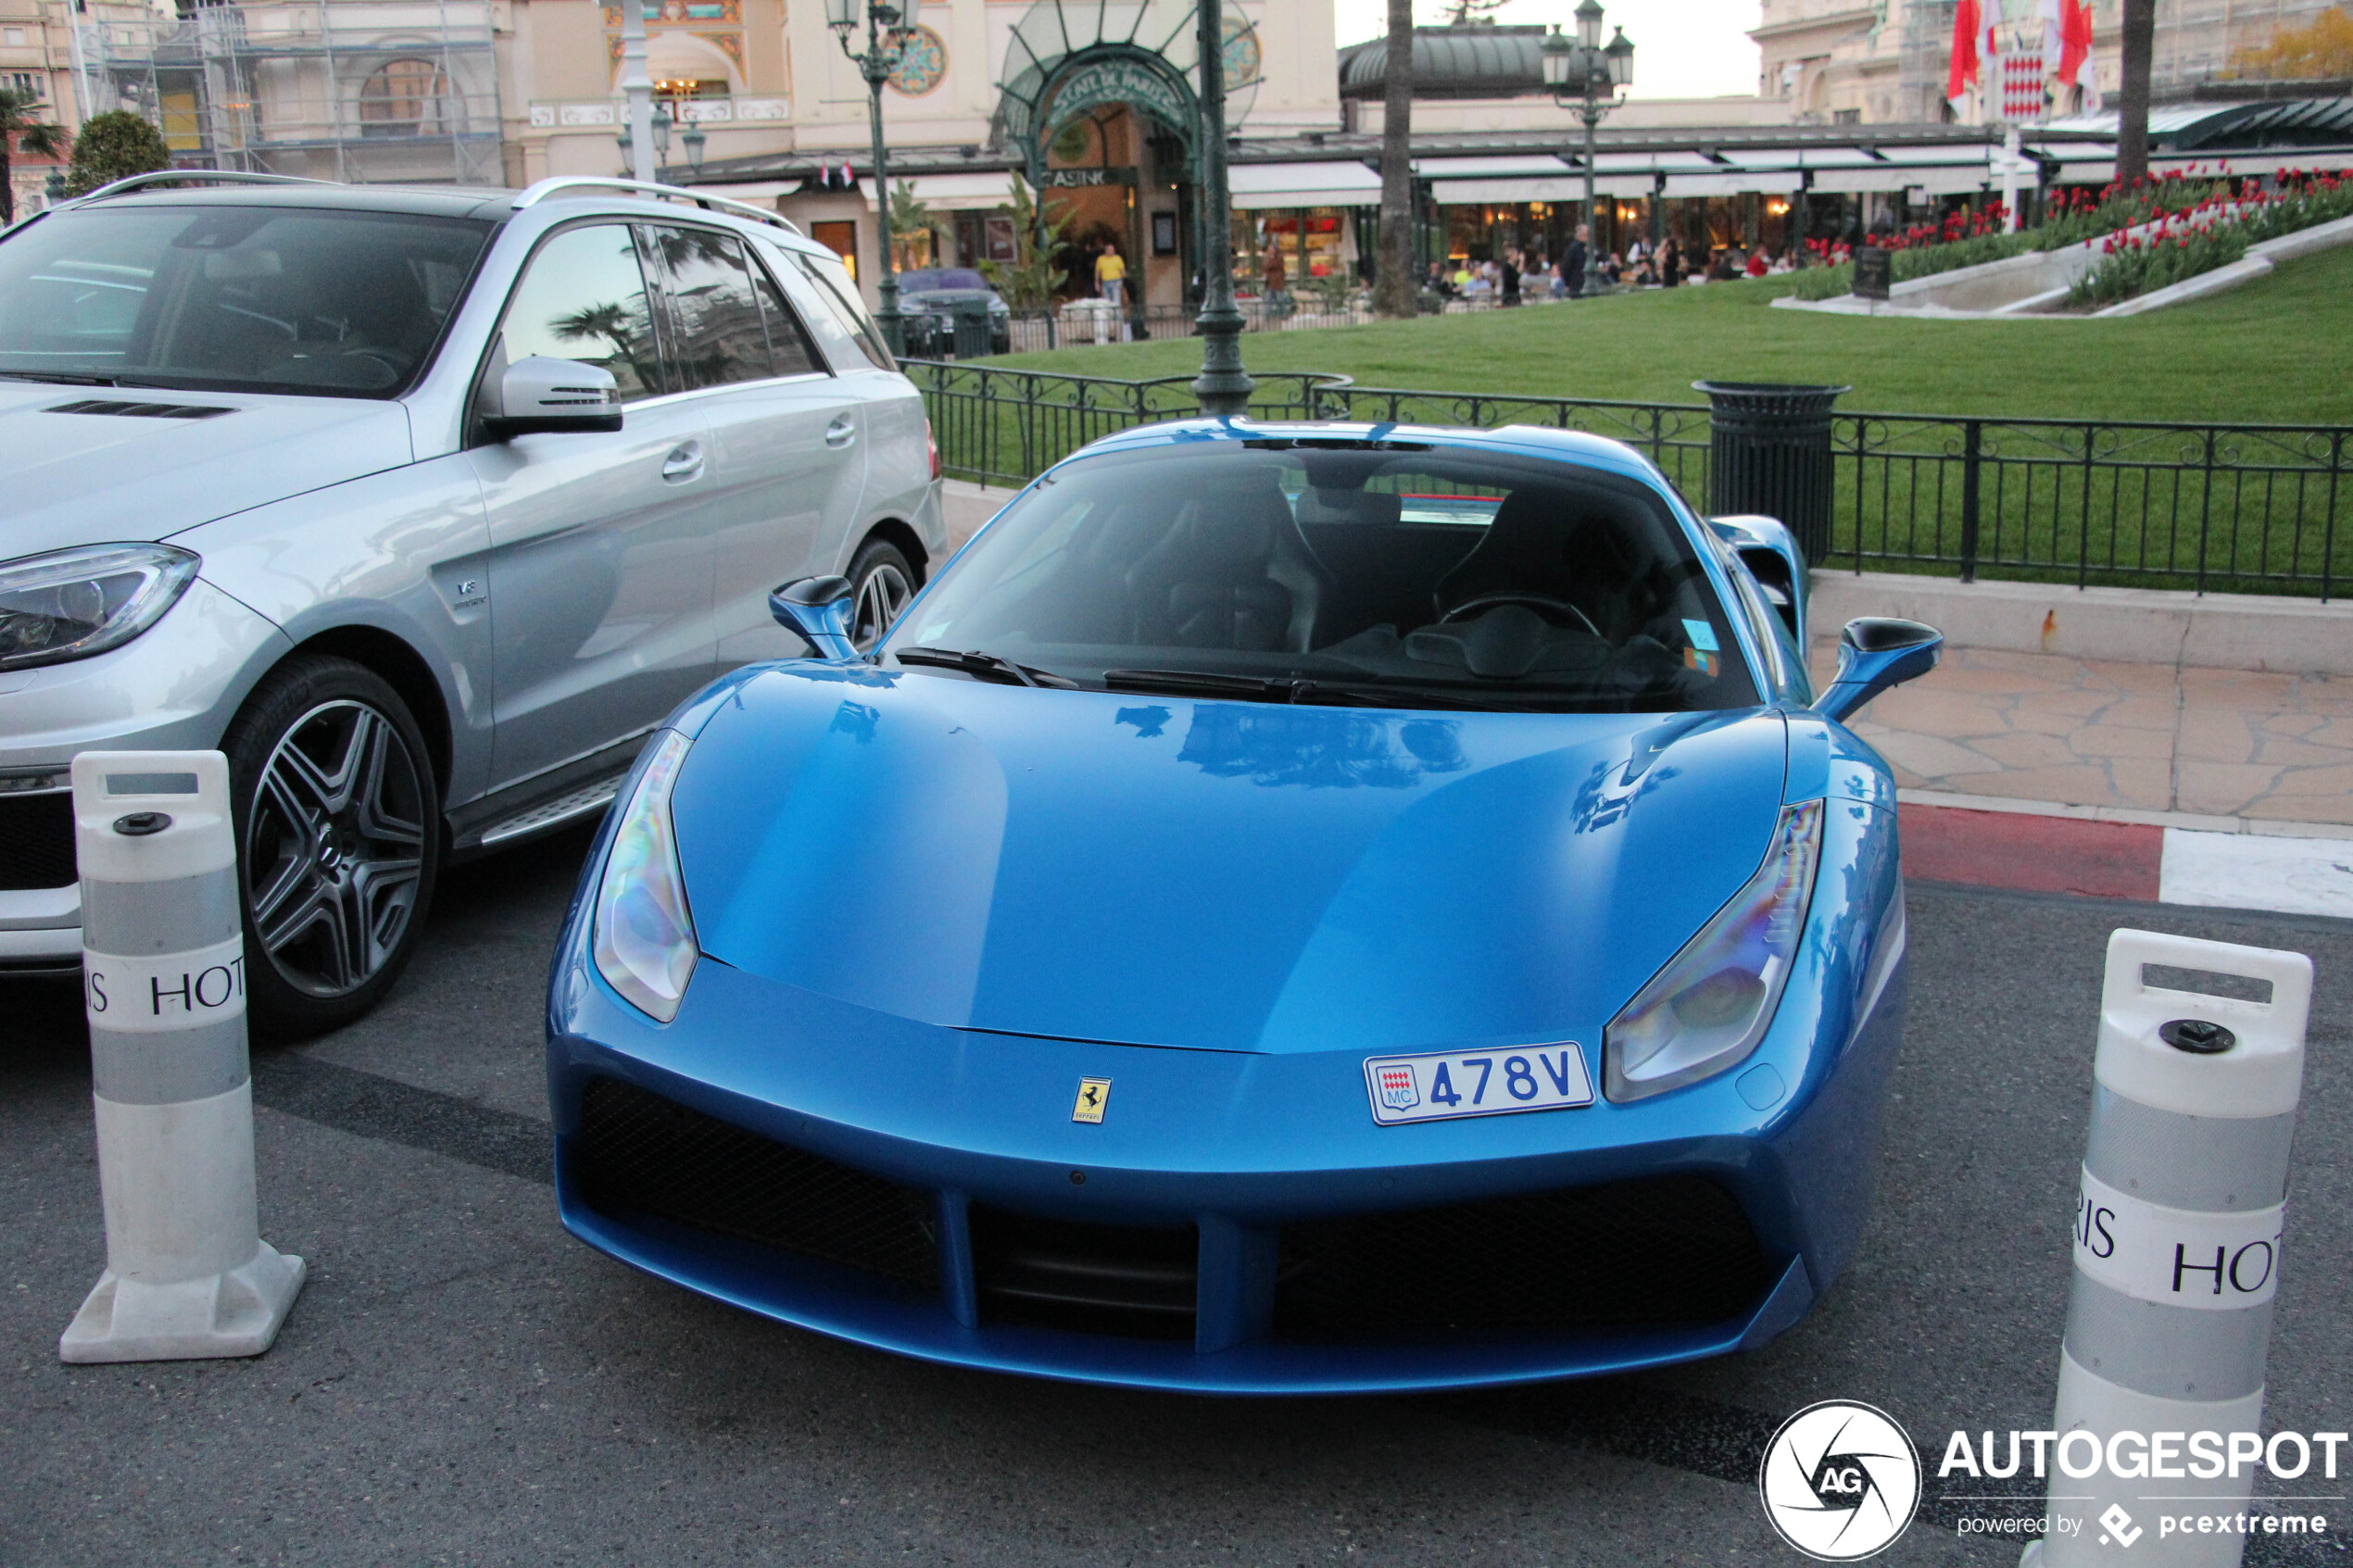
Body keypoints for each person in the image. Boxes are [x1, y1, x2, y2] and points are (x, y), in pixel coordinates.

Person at [1094, 241, 1126, 310]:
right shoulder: (1100, 259)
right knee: (1107, 302)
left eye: (1113, 250)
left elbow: (1122, 271)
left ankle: (1117, 319)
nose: (1112, 251)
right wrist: (1096, 282)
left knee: (1116, 302)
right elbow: (1097, 271)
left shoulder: (1118, 258)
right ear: (1106, 251)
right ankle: (1110, 319)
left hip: (1116, 282)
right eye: (1110, 250)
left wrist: (1124, 282)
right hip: (1105, 283)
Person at [1564, 222, 1590, 300]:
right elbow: (1566, 266)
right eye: (1587, 235)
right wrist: (1568, 283)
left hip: (1587, 282)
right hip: (1576, 284)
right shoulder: (1573, 249)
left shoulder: (1591, 247)